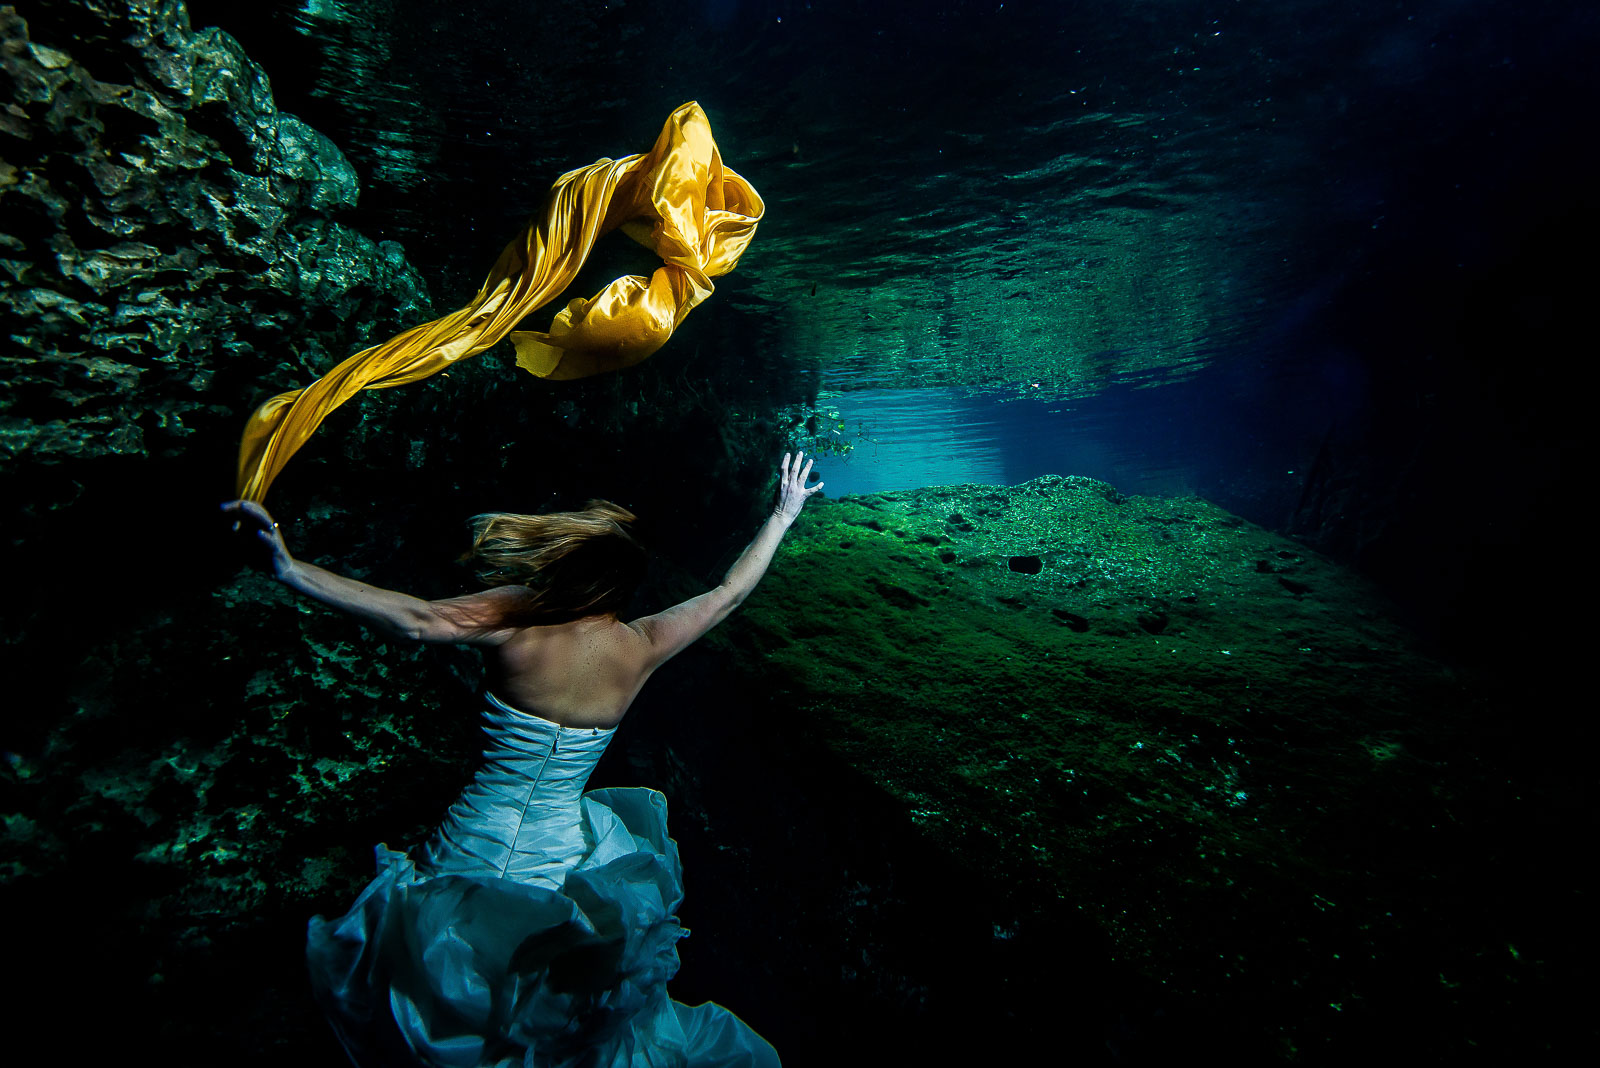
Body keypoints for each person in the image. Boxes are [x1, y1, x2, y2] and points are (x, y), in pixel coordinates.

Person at [222, 452, 823, 1067]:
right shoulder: (640, 644)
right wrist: (782, 513)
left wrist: (290, 569)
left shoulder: (518, 618)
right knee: (556, 1021)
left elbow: (418, 620)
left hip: (476, 849)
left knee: (452, 1007)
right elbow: (727, 594)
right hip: (574, 861)